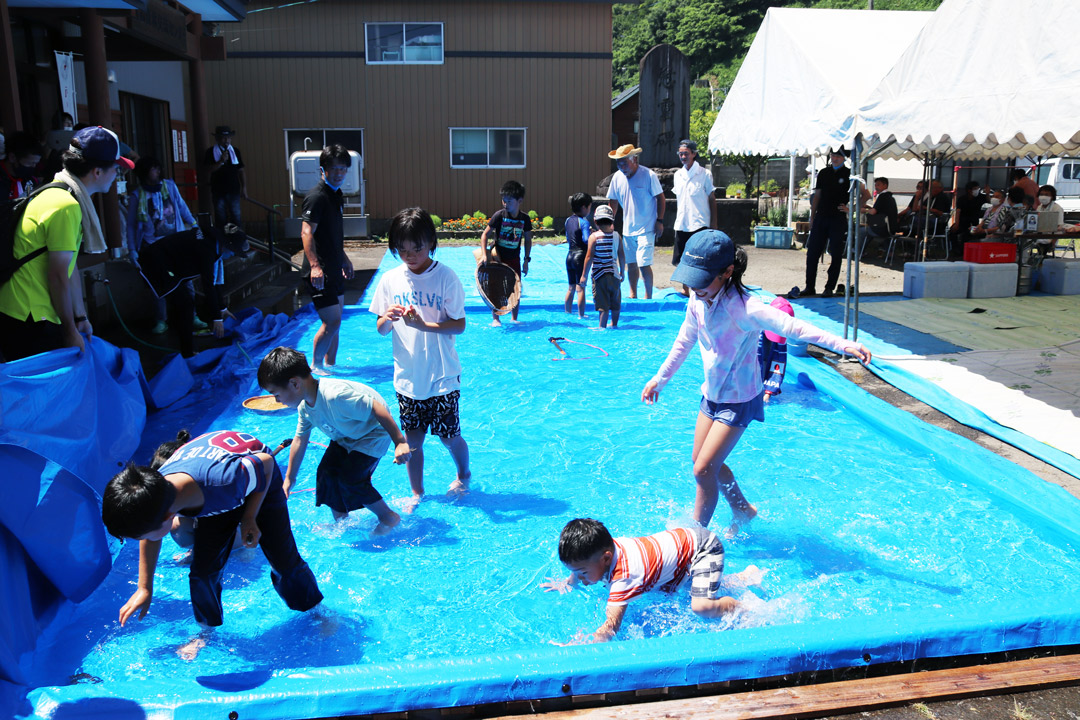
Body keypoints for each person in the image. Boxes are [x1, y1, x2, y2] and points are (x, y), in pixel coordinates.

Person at [642, 230, 871, 533]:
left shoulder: (746, 307)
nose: (694, 287)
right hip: (711, 396)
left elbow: (793, 327)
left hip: (739, 400)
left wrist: (841, 344)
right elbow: (684, 341)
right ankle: (742, 509)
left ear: (727, 272)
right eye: (690, 279)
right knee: (702, 462)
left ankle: (694, 540)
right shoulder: (698, 300)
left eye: (702, 279)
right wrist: (660, 379)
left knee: (703, 470)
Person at [101, 429, 324, 660]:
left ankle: (318, 613)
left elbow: (266, 463)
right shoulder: (156, 492)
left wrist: (249, 516)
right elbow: (151, 532)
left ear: (168, 516)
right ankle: (205, 632)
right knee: (202, 573)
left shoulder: (223, 480)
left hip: (258, 481)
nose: (143, 541)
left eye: (140, 536)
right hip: (214, 492)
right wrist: (144, 587)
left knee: (284, 561)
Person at [0, 126, 133, 361]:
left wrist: (80, 317)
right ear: (97, 172)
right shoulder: (66, 206)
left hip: (23, 310)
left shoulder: (57, 192)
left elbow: (68, 267)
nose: (118, 176)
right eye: (116, 168)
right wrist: (70, 331)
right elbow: (59, 275)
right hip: (29, 316)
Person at [368, 207, 471, 510]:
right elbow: (381, 329)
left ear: (431, 244)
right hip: (408, 377)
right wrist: (387, 318)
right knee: (413, 442)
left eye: (418, 248)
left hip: (442, 376)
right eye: (402, 249)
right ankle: (417, 493)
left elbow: (460, 325)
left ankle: (464, 474)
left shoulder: (445, 277)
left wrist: (422, 324)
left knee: (450, 436)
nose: (410, 255)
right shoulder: (390, 280)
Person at [258, 346, 412, 535]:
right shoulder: (305, 408)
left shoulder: (335, 395)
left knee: (351, 477)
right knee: (327, 473)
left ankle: (388, 517)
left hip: (373, 433)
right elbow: (299, 440)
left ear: (295, 384)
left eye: (276, 394)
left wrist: (399, 442)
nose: (276, 400)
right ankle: (341, 521)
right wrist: (289, 479)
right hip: (346, 435)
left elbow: (376, 408)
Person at [540, 518, 765, 644]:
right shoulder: (602, 550)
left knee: (701, 606)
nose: (580, 578)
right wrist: (567, 582)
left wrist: (582, 644)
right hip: (677, 557)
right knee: (693, 588)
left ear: (606, 558)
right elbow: (578, 567)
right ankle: (746, 577)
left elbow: (611, 627)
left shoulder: (624, 577)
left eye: (582, 573)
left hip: (702, 549)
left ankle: (745, 608)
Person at [135, 222, 239, 357]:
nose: (232, 255)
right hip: (157, 264)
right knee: (186, 304)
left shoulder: (214, 243)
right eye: (233, 252)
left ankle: (187, 348)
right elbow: (208, 285)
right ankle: (188, 352)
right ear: (227, 245)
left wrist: (222, 308)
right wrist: (216, 318)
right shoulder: (207, 249)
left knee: (185, 304)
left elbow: (213, 282)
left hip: (172, 265)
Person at [126, 156, 201, 335]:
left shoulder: (170, 186)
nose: (157, 171)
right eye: (153, 169)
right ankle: (161, 319)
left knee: (186, 280)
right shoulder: (137, 195)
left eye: (158, 168)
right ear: (144, 173)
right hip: (153, 245)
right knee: (159, 285)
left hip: (177, 242)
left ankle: (193, 315)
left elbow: (182, 207)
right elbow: (131, 225)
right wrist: (132, 250)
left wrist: (194, 224)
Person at [300, 144, 355, 372]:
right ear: (323, 170)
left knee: (337, 324)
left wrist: (345, 259)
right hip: (319, 272)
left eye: (343, 169)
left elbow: (331, 235)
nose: (339, 173)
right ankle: (315, 367)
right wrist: (314, 266)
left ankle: (330, 366)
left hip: (333, 268)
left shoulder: (336, 195)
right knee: (331, 322)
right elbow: (306, 232)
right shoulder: (317, 197)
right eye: (334, 169)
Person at [606, 144, 664, 299]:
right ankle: (633, 293)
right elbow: (613, 201)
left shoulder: (648, 175)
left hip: (646, 227)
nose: (621, 166)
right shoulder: (617, 177)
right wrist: (609, 222)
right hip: (628, 229)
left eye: (624, 162)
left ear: (634, 160)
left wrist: (660, 220)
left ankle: (648, 295)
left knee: (644, 263)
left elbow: (660, 197)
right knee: (630, 264)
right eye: (619, 163)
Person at [802, 148, 860, 298]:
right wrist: (812, 216)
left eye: (838, 156)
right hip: (821, 216)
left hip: (837, 218)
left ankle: (829, 287)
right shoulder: (824, 173)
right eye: (833, 156)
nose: (834, 158)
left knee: (835, 254)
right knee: (812, 253)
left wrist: (851, 209)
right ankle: (809, 286)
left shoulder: (849, 174)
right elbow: (817, 195)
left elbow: (864, 194)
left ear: (844, 158)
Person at [479, 180, 532, 326]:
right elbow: (485, 235)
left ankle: (514, 318)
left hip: (514, 258)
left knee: (516, 288)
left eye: (509, 201)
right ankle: (496, 319)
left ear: (519, 200)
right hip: (498, 257)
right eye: (503, 200)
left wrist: (526, 260)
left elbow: (528, 240)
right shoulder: (499, 216)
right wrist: (485, 255)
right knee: (495, 288)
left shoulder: (525, 219)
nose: (505, 203)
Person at [672, 139, 716, 296]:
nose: (683, 156)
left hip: (699, 223)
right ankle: (686, 289)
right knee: (684, 258)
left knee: (699, 258)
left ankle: (701, 288)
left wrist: (713, 224)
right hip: (682, 223)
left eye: (686, 153)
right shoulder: (678, 175)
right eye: (680, 153)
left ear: (694, 154)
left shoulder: (705, 174)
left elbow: (712, 199)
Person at [579, 204, 625, 330]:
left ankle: (602, 327)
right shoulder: (617, 236)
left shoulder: (593, 237)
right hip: (615, 275)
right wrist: (622, 271)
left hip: (600, 276)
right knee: (615, 302)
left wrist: (584, 275)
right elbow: (621, 254)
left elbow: (589, 257)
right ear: (612, 221)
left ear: (595, 221)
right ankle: (614, 324)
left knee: (603, 305)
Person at [204, 125, 246, 230]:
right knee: (221, 218)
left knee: (236, 217)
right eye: (223, 138)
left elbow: (240, 170)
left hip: (234, 189)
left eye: (228, 138)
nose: (226, 140)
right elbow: (208, 170)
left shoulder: (235, 151)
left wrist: (244, 187)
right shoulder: (210, 152)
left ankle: (236, 240)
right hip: (218, 190)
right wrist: (221, 161)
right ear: (217, 138)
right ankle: (224, 242)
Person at [759, 296, 795, 402]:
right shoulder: (755, 326)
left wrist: (768, 393)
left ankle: (766, 390)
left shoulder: (781, 339)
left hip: (767, 356)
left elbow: (778, 364)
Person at [564, 192, 592, 318]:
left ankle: (568, 312)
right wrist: (592, 235)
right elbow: (586, 240)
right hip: (580, 256)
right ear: (584, 207)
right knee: (580, 287)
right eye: (590, 207)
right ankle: (581, 315)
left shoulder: (568, 220)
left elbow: (569, 238)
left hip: (569, 255)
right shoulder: (584, 222)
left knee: (571, 287)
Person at [858, 177, 898, 258]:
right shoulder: (890, 197)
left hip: (882, 229)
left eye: (878, 185)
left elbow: (873, 212)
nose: (876, 187)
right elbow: (879, 210)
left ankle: (858, 251)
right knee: (868, 230)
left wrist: (864, 210)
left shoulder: (882, 196)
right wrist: (869, 208)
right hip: (891, 228)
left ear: (885, 185)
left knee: (862, 231)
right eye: (875, 185)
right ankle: (889, 252)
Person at [1, 131, 43, 200]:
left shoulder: (32, 181)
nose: (33, 167)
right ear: (12, 157)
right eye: (30, 163)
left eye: (35, 163)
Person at [952, 181, 990, 249]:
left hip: (974, 222)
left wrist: (987, 193)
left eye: (978, 188)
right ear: (969, 190)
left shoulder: (980, 197)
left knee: (969, 234)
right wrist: (956, 223)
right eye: (975, 189)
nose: (977, 191)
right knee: (952, 232)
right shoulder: (962, 199)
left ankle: (965, 249)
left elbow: (988, 200)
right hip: (962, 222)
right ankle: (955, 249)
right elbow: (958, 211)